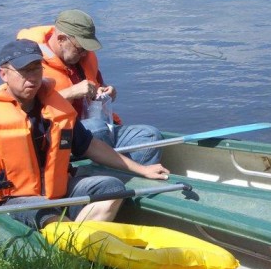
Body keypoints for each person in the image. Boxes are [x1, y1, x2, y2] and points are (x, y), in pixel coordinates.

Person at [0, 39, 169, 229]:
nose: (33, 78)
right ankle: (71, 241)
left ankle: (78, 238)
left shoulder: (55, 106)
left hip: (58, 190)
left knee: (113, 187)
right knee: (44, 214)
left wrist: (142, 170)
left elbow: (90, 146)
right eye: (24, 71)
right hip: (13, 199)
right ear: (3, 74)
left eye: (37, 69)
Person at [17, 9, 163, 165]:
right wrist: (71, 92)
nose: (85, 54)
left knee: (150, 136)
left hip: (102, 131)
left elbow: (98, 85)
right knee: (97, 127)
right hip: (66, 139)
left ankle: (121, 176)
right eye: (80, 49)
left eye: (87, 50)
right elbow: (24, 109)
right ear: (61, 39)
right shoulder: (30, 63)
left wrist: (107, 92)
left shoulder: (83, 58)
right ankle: (113, 171)